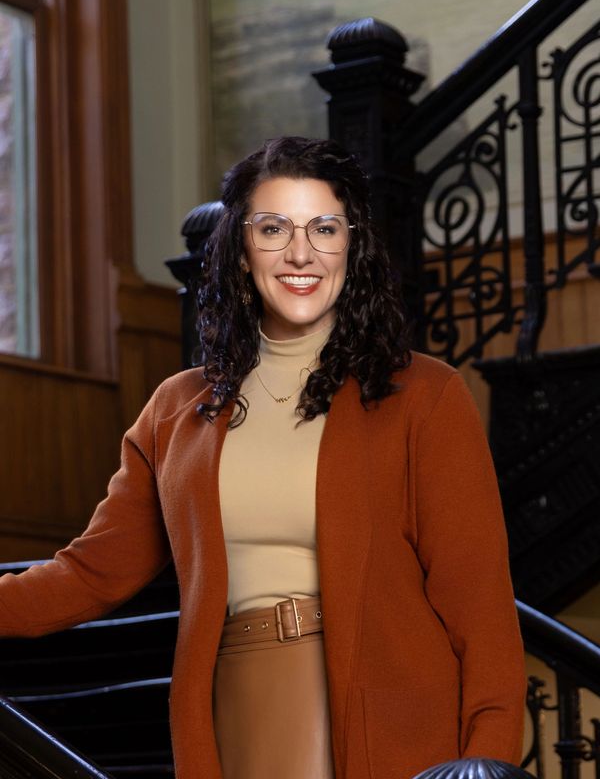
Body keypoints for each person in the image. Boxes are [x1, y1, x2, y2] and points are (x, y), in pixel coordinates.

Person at [0, 136, 525, 779]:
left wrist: (489, 762)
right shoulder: (176, 409)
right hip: (234, 709)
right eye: (274, 228)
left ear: (351, 247)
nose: (300, 252)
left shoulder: (425, 395)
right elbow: (91, 573)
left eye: (324, 228)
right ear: (241, 252)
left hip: (393, 720)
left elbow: (482, 608)